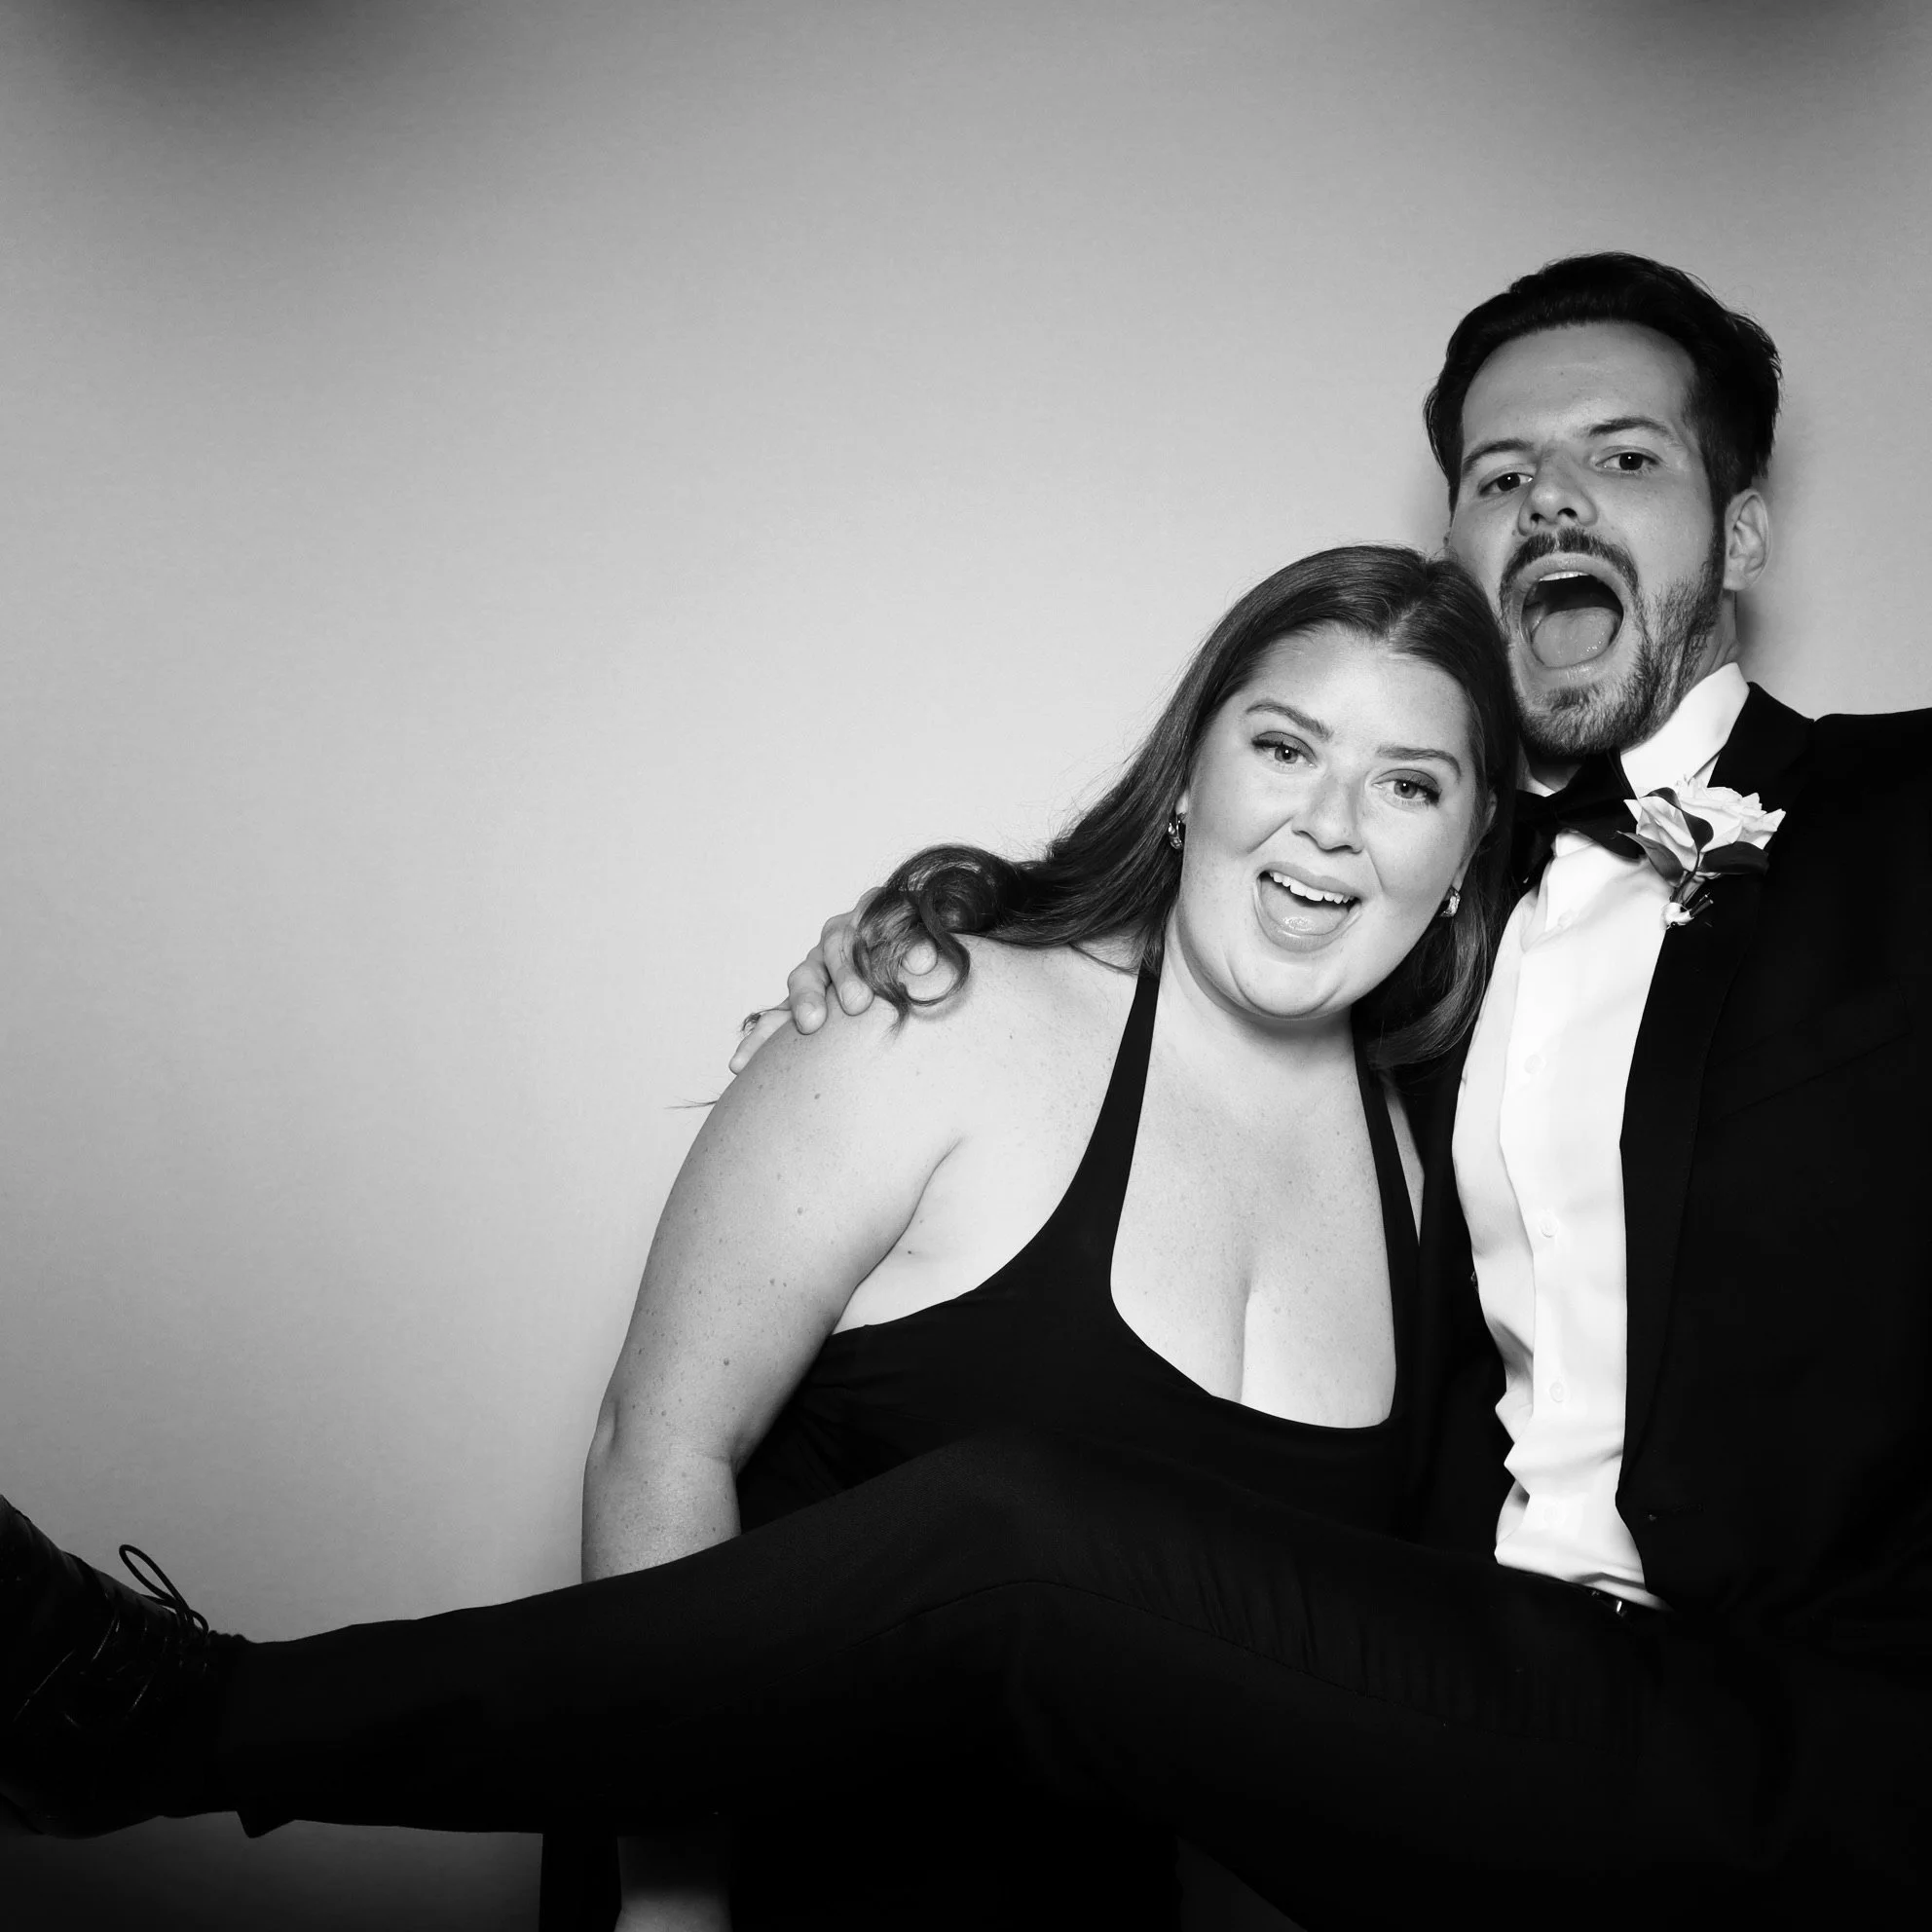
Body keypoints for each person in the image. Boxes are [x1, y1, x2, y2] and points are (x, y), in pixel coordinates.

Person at [4, 252, 1928, 1925]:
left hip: (1805, 1743)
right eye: (1499, 472)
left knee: (1013, 1535)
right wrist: (950, 923)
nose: (1551, 499)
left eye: (1623, 454)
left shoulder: (1895, 830)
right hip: (1456, 1742)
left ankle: (166, 1708)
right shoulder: (1419, 955)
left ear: (1739, 532)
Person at [546, 543, 1517, 1932]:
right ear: (1190, 776)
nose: (1334, 824)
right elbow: (657, 1446)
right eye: (1287, 747)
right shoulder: (937, 1016)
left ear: (1470, 844)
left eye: (1410, 783)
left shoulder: (1435, 1174)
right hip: (741, 1875)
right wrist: (674, 1909)